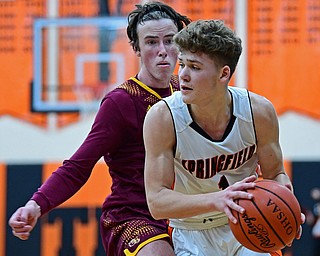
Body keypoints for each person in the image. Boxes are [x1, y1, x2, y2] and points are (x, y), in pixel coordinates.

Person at [8, 2, 190, 256]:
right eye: (151, 42)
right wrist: (36, 205)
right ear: (136, 48)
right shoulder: (121, 102)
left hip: (185, 212)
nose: (162, 50)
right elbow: (78, 166)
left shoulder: (187, 92)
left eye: (170, 41)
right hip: (134, 217)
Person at [143, 19, 304, 256]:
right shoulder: (162, 117)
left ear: (223, 73)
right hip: (192, 230)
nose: (183, 76)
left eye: (195, 67)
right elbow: (157, 202)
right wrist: (219, 199)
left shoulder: (258, 112)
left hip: (247, 222)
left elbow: (275, 173)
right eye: (182, 64)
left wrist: (286, 205)